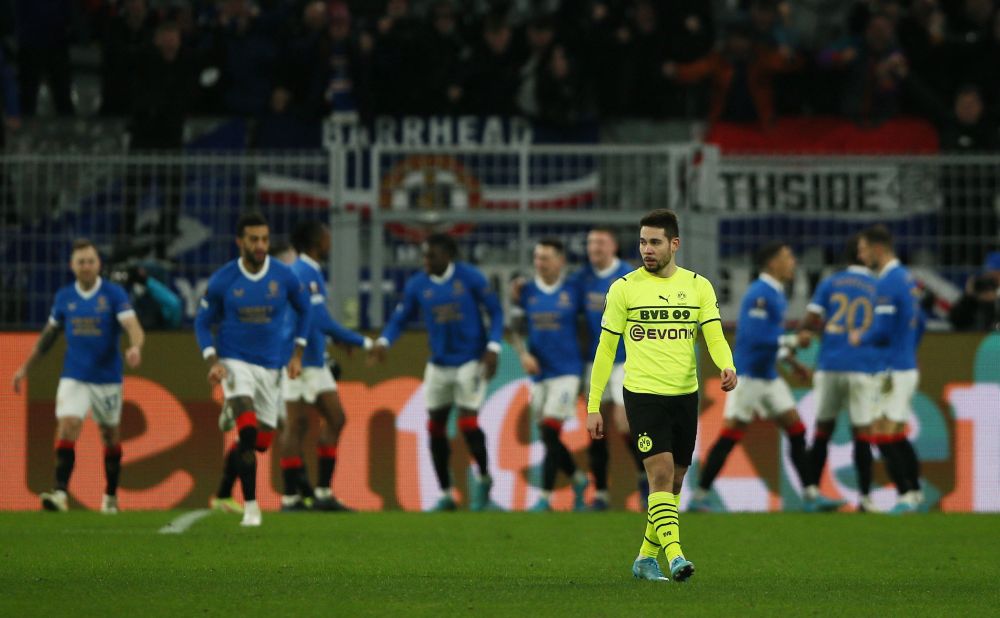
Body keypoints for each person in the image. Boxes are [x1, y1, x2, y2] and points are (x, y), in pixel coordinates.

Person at [587, 209, 737, 583]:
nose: (646, 249)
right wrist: (593, 406)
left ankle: (644, 558)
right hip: (642, 394)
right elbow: (605, 350)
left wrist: (727, 364)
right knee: (660, 474)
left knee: (674, 483)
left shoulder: (699, 286)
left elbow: (713, 334)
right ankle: (676, 557)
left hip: (685, 395)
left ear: (674, 244)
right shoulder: (623, 288)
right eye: (642, 242)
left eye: (654, 242)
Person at [688, 242, 844, 514]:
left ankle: (810, 494)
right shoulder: (760, 294)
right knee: (730, 436)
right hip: (748, 377)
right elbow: (755, 339)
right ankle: (699, 495)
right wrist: (795, 340)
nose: (792, 261)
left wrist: (791, 362)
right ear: (772, 263)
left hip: (769, 376)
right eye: (787, 257)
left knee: (796, 430)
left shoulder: (775, 293)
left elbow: (769, 342)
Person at [195, 213, 311, 527]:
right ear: (240, 242)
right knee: (247, 432)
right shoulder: (223, 279)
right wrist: (213, 362)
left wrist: (297, 353)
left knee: (260, 442)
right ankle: (251, 507)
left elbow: (306, 309)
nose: (260, 246)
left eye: (264, 239)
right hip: (235, 363)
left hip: (272, 368)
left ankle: (233, 412)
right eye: (253, 240)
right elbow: (202, 323)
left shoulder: (284, 276)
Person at [12, 239, 145, 514]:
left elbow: (132, 325)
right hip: (74, 376)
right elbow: (48, 338)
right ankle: (60, 493)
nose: (86, 266)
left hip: (107, 379)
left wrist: (135, 346)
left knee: (110, 436)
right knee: (68, 426)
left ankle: (109, 496)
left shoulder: (113, 293)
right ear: (72, 266)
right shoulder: (64, 297)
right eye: (81, 262)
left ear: (99, 264)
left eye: (90, 261)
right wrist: (25, 368)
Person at [372, 233, 504, 511]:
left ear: (447, 256)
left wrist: (493, 347)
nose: (425, 261)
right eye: (424, 255)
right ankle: (446, 493)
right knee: (434, 427)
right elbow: (400, 317)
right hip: (439, 364)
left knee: (468, 423)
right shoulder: (417, 285)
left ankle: (483, 480)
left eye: (431, 255)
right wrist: (384, 341)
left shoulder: (470, 278)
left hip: (470, 361)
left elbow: (496, 311)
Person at [279, 221, 373, 512]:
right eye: (326, 237)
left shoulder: (307, 271)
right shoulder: (304, 272)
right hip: (298, 360)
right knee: (298, 424)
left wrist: (332, 341)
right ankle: (293, 498)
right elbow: (318, 319)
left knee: (334, 419)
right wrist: (363, 342)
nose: (330, 242)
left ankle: (320, 493)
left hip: (311, 357)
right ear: (315, 242)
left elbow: (311, 318)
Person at [800, 237, 881, 513]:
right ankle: (866, 498)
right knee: (862, 433)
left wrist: (808, 333)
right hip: (861, 367)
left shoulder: (830, 282)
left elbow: (810, 320)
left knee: (822, 430)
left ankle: (811, 491)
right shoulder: (877, 285)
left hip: (830, 365)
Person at [510, 238, 589, 512]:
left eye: (545, 258)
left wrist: (587, 369)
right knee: (548, 436)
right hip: (540, 374)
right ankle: (578, 480)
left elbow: (587, 327)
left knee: (551, 429)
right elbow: (517, 329)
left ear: (560, 261)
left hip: (568, 371)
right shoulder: (526, 291)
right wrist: (523, 354)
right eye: (536, 257)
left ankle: (544, 497)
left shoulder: (574, 290)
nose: (539, 263)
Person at [849, 225, 924, 514]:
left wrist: (859, 336)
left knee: (883, 434)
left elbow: (880, 330)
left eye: (863, 248)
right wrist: (907, 351)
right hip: (902, 363)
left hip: (893, 369)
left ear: (878, 249)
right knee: (895, 433)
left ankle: (906, 495)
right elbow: (922, 323)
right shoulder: (907, 279)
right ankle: (914, 493)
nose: (860, 254)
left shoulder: (888, 282)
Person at [574, 226, 645, 510]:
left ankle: (644, 476)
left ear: (613, 246)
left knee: (625, 422)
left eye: (601, 242)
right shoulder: (582, 279)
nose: (595, 248)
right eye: (591, 243)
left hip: (626, 359)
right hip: (595, 361)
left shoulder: (630, 276)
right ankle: (601, 493)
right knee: (596, 427)